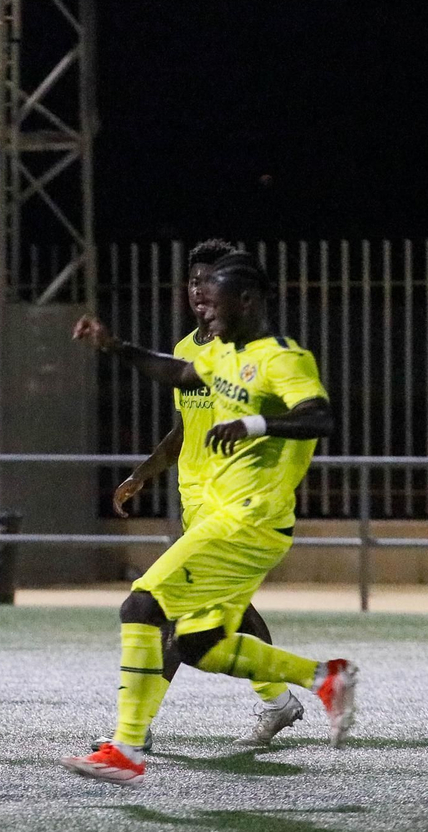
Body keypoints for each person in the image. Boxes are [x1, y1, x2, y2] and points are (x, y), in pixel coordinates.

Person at [64, 252, 357, 786]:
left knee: (142, 604)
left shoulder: (281, 357)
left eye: (216, 303)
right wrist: (115, 347)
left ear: (246, 302)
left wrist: (254, 422)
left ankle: (128, 747)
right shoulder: (222, 353)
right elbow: (176, 372)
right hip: (228, 517)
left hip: (250, 519)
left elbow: (320, 416)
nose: (208, 314)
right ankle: (322, 678)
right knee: (200, 643)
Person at [97, 239, 304, 751]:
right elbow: (185, 428)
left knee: (158, 607)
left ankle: (135, 731)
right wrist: (143, 473)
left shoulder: (251, 354)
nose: (199, 291)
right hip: (198, 506)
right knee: (228, 616)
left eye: (210, 281)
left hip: (235, 510)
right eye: (194, 281)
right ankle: (281, 700)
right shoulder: (188, 352)